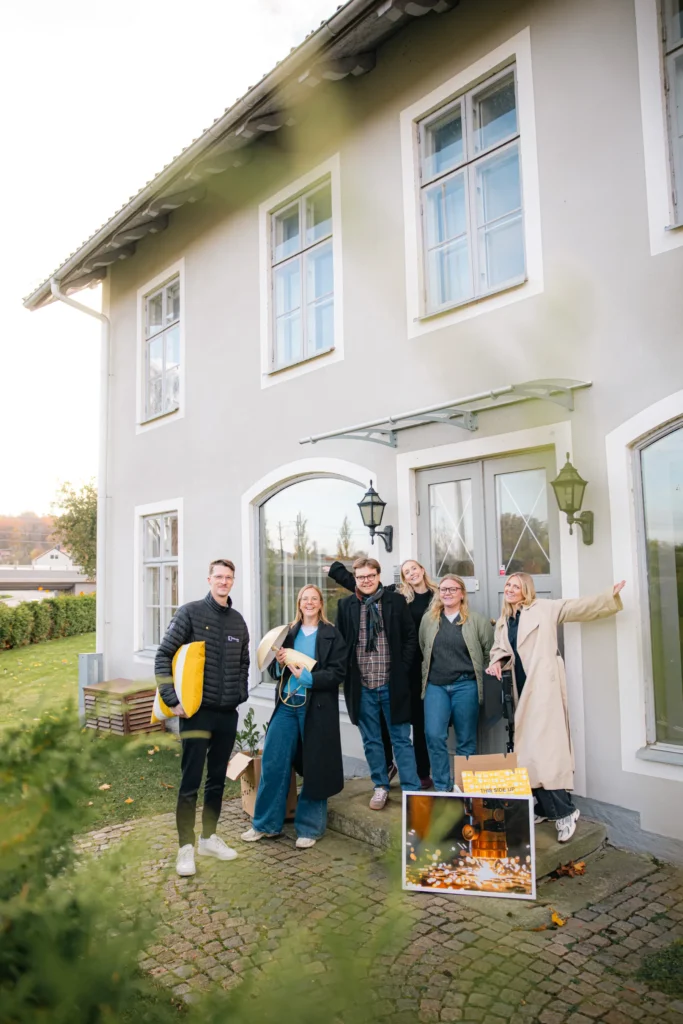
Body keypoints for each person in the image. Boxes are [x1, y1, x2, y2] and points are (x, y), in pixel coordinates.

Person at [486, 573, 626, 843]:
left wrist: (609, 595)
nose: (511, 590)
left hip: (544, 688)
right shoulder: (504, 621)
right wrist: (496, 662)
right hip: (521, 690)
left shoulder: (544, 608)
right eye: (508, 585)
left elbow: (576, 607)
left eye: (517, 586)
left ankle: (565, 812)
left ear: (527, 590)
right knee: (528, 753)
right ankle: (543, 808)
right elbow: (500, 650)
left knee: (544, 753)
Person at [155, 558, 250, 877]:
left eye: (229, 577)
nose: (224, 582)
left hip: (227, 714)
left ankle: (209, 837)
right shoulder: (190, 613)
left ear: (233, 581)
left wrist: (240, 693)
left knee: (216, 781)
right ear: (209, 579)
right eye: (219, 577)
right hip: (195, 713)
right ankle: (185, 847)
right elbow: (163, 655)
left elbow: (243, 663)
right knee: (190, 780)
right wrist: (172, 700)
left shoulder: (238, 622)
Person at [241, 585, 345, 849]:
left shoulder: (332, 635)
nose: (309, 603)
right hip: (287, 707)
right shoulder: (288, 633)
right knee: (273, 762)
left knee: (314, 766)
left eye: (314, 599)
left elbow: (338, 674)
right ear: (298, 604)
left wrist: (308, 677)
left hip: (316, 709)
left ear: (321, 604)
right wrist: (278, 662)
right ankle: (265, 825)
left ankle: (310, 828)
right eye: (304, 599)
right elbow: (277, 673)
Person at [328, 557, 437, 788]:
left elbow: (410, 638)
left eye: (370, 576)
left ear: (378, 576)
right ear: (355, 579)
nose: (366, 580)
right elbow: (341, 643)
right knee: (371, 741)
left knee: (401, 740)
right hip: (362, 686)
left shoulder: (396, 602)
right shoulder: (346, 606)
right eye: (360, 577)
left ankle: (411, 789)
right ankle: (380, 786)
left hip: (392, 684)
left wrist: (402, 668)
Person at [419, 574, 494, 790]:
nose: (447, 593)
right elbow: (424, 649)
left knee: (466, 739)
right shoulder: (429, 620)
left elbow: (489, 652)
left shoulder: (477, 620)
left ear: (462, 593)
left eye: (453, 589)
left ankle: (463, 787)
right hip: (436, 686)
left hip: (466, 685)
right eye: (443, 589)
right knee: (433, 735)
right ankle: (442, 786)